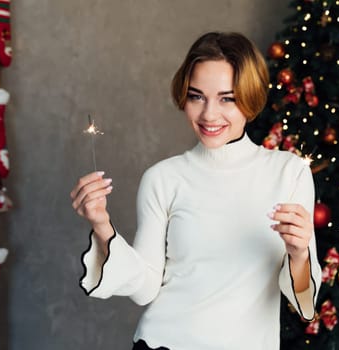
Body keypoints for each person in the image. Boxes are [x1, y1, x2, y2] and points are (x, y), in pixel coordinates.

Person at [70, 31, 321, 350]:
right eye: (196, 96)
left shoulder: (289, 173)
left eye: (226, 98)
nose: (208, 114)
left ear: (250, 96)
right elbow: (146, 287)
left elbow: (303, 302)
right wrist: (102, 226)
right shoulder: (162, 178)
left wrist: (299, 253)